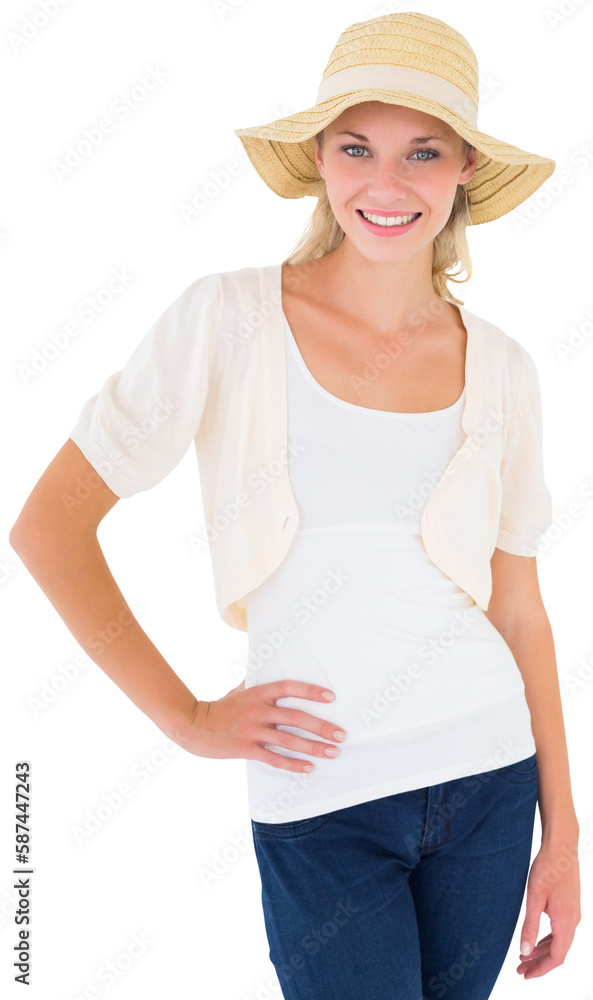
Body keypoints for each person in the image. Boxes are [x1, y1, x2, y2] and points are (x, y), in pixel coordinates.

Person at [9, 11, 580, 1000]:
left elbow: (519, 608)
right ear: (319, 159)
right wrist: (186, 716)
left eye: (422, 151)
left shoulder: (503, 368)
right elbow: (47, 526)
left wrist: (563, 833)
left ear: (462, 173)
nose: (386, 183)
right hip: (322, 800)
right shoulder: (226, 319)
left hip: (491, 781)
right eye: (356, 147)